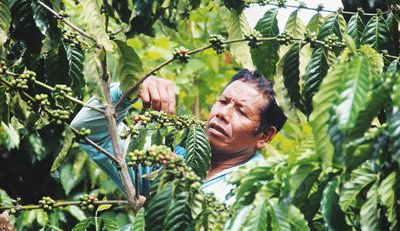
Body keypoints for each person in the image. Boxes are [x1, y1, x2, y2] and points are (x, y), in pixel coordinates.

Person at [70, 69, 286, 204]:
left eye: (240, 111)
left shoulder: (258, 193)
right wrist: (127, 91)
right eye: (223, 101)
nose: (223, 113)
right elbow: (91, 132)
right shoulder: (166, 163)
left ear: (265, 136)